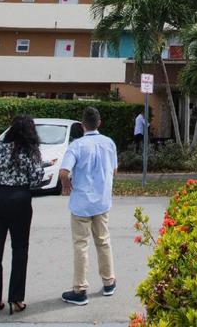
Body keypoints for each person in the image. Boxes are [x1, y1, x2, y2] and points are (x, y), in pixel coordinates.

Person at [0, 115, 44, 315]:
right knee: (20, 248)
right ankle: (16, 299)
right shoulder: (30, 152)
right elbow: (36, 178)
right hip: (19, 200)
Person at [59, 106, 118, 306]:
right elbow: (114, 170)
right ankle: (109, 282)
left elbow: (63, 171)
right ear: (99, 123)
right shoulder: (109, 143)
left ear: (82, 124)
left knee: (81, 244)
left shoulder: (77, 145)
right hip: (102, 201)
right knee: (103, 241)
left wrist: (67, 186)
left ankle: (80, 289)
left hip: (81, 203)